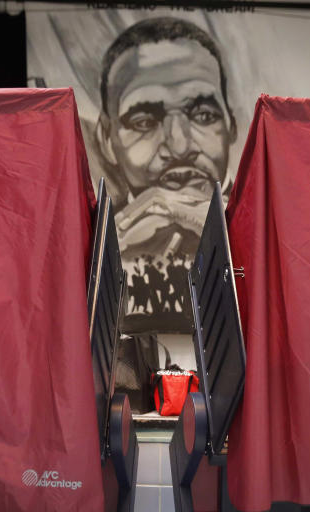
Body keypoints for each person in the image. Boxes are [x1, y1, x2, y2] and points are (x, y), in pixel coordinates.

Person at [95, 17, 237, 301]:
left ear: (231, 125)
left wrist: (226, 243)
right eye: (145, 121)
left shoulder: (270, 236)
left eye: (204, 115)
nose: (180, 146)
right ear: (106, 139)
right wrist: (110, 265)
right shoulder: (90, 247)